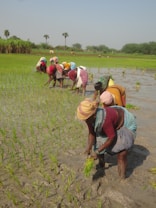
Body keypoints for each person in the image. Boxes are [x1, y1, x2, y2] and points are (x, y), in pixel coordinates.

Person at [76, 99, 137, 179]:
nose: (85, 120)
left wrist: (97, 151)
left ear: (93, 115)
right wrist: (89, 148)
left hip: (124, 123)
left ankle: (122, 177)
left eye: (86, 118)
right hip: (112, 121)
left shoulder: (105, 120)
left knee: (122, 154)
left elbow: (111, 137)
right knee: (98, 147)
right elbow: (91, 133)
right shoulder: (89, 119)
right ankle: (101, 166)